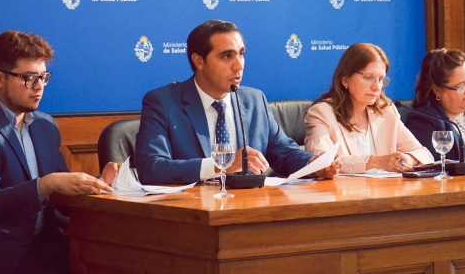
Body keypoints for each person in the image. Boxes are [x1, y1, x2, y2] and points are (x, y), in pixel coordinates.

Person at [0, 30, 119, 274]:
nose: (39, 87)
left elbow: (62, 196)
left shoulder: (44, 125)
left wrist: (98, 184)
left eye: (43, 77)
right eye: (28, 78)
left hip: (48, 248)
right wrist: (44, 185)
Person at [136, 19, 340, 185]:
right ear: (199, 61)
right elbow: (150, 168)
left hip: (249, 208)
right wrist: (220, 165)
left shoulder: (254, 99)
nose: (238, 66)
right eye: (227, 56)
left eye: (241, 54)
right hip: (194, 212)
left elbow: (283, 152)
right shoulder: (164, 103)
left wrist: (315, 165)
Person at [304, 43, 433, 173]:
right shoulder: (322, 113)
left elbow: (424, 154)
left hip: (387, 186)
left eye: (381, 79)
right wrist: (377, 162)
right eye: (368, 77)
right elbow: (322, 163)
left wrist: (408, 159)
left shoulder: (386, 111)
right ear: (345, 80)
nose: (376, 87)